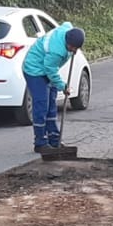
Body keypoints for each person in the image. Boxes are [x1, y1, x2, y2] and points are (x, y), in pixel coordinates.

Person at [22, 22, 85, 153]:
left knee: (52, 106)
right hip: (34, 70)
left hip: (47, 70)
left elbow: (67, 23)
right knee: (42, 105)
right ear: (67, 42)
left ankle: (54, 140)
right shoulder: (57, 51)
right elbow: (50, 70)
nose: (74, 51)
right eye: (72, 47)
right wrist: (63, 86)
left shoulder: (68, 31)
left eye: (76, 48)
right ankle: (40, 142)